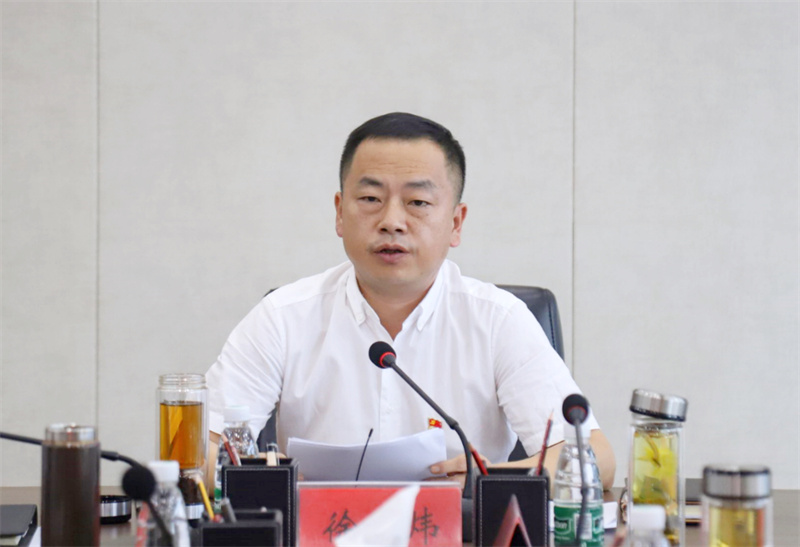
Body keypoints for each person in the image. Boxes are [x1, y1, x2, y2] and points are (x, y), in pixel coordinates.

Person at [204, 112, 615, 488]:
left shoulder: (498, 321)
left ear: (455, 222)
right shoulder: (282, 317)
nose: (392, 221)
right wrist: (267, 478)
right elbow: (199, 450)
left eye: (418, 202)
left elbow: (594, 458)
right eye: (371, 199)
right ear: (339, 213)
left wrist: (489, 479)